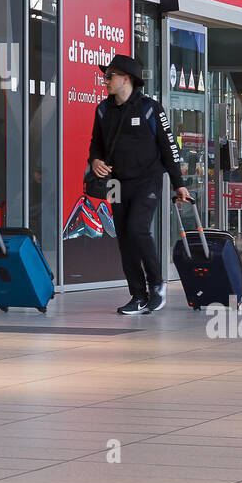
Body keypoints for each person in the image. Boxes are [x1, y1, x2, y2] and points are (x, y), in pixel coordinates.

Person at [86, 54, 194, 316]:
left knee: (138, 229)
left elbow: (169, 148)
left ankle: (157, 284)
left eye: (109, 76)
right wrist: (95, 160)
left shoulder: (150, 108)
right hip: (117, 183)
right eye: (105, 76)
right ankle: (137, 295)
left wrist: (178, 184)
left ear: (127, 79)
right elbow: (95, 143)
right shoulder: (102, 109)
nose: (105, 80)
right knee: (124, 238)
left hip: (147, 180)